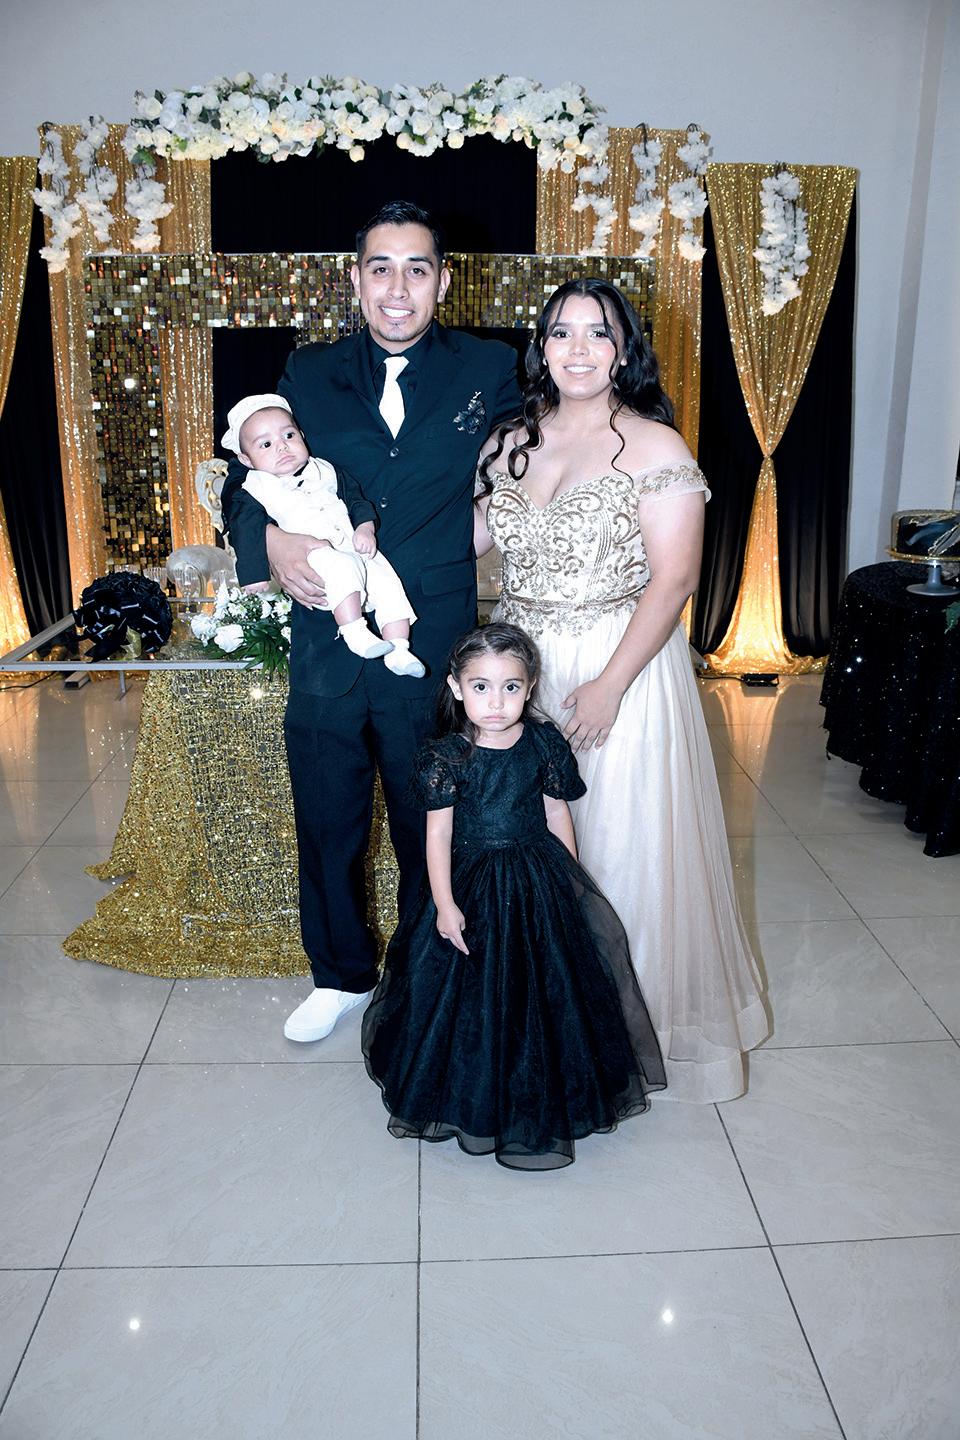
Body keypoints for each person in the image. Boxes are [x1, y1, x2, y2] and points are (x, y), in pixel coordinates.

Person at [220, 201, 522, 1043]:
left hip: (429, 636)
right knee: (327, 818)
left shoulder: (489, 365)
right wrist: (269, 540)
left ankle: (427, 973)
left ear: (443, 281)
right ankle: (340, 974)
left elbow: (533, 456)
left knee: (433, 816)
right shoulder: (308, 370)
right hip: (327, 636)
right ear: (355, 279)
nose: (398, 287)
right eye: (380, 268)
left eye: (417, 269)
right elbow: (245, 475)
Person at [475, 278, 769, 1103]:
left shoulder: (654, 444)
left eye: (597, 333)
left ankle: (626, 1032)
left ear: (623, 350)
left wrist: (608, 685)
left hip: (621, 664)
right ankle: (542, 1021)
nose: (578, 349)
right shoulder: (509, 441)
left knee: (620, 845)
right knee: (526, 843)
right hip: (521, 668)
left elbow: (674, 581)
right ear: (540, 348)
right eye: (561, 332)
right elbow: (462, 539)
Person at [362, 623, 666, 1169]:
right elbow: (437, 835)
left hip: (537, 875)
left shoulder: (544, 743)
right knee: (469, 990)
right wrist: (445, 903)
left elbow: (556, 811)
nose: (496, 702)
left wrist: (571, 881)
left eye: (510, 687)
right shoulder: (446, 757)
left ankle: (549, 1084)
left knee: (548, 986)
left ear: (530, 687)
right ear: (456, 688)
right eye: (480, 687)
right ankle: (470, 1089)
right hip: (472, 882)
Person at [222, 393, 424, 676]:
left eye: (289, 435)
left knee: (388, 583)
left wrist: (365, 527)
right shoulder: (254, 488)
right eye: (266, 444)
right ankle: (354, 631)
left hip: (353, 544)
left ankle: (399, 649)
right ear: (246, 459)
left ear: (302, 436)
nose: (282, 447)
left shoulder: (327, 470)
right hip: (313, 553)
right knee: (343, 567)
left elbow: (356, 500)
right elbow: (247, 528)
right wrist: (254, 574)